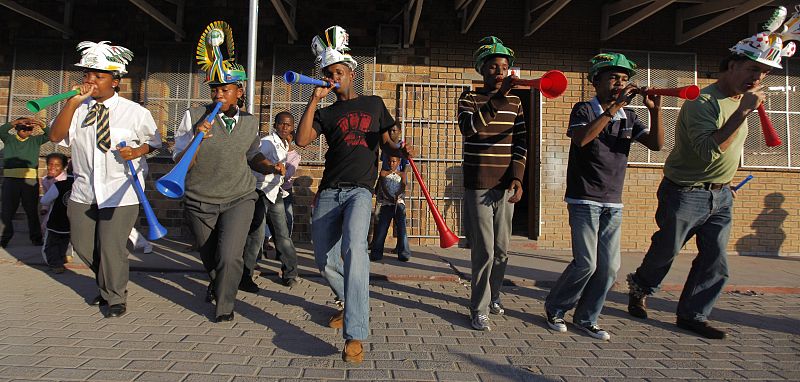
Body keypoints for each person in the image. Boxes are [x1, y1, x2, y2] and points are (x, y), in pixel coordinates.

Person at [626, 8, 796, 339]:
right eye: (751, 69)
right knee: (666, 250)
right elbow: (710, 148)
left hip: (720, 194)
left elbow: (734, 150)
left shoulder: (742, 100)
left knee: (716, 260)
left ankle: (693, 314)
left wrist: (727, 182)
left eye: (762, 73)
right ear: (731, 66)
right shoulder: (702, 102)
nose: (757, 79)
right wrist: (744, 111)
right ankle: (640, 286)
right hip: (684, 192)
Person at [296, 25, 411, 363]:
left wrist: (399, 143)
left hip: (360, 191)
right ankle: (348, 302)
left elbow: (391, 141)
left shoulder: (374, 104)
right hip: (330, 191)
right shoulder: (326, 112)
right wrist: (313, 100)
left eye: (339, 72)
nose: (335, 77)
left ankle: (355, 333)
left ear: (351, 73)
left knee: (354, 250)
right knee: (323, 258)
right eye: (329, 73)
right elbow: (302, 141)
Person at [543, 53, 663, 341]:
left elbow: (657, 145)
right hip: (584, 198)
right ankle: (556, 308)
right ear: (596, 80)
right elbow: (583, 139)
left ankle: (586, 318)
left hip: (613, 201)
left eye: (624, 79)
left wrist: (656, 111)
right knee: (586, 263)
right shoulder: (584, 109)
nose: (620, 83)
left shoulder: (630, 117)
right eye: (613, 77)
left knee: (609, 268)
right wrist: (614, 106)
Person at [175, 21, 279, 323]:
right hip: (199, 198)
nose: (219, 94)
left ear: (239, 91)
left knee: (230, 255)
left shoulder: (249, 122)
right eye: (215, 89)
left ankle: (224, 306)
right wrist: (197, 137)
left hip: (239, 196)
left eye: (225, 89)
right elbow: (181, 162)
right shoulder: (193, 117)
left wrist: (269, 167)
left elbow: (250, 154)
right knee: (209, 256)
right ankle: (217, 282)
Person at [49, 41, 162, 318]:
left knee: (112, 248)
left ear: (116, 82)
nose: (91, 81)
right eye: (88, 75)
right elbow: (55, 137)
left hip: (121, 191)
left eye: (99, 76)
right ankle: (107, 281)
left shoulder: (135, 112)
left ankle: (114, 296)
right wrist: (73, 103)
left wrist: (137, 151)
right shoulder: (76, 108)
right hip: (84, 191)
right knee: (83, 245)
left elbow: (156, 143)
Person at [457, 36, 527, 331]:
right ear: (482, 70)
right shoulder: (468, 98)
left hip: (505, 185)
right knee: (484, 249)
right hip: (478, 184)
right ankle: (479, 307)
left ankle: (495, 295)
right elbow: (470, 129)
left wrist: (518, 178)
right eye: (494, 66)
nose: (500, 71)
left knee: (501, 249)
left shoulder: (516, 102)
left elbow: (521, 142)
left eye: (504, 67)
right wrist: (498, 99)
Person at [242, 111, 299, 290]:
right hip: (260, 191)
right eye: (281, 123)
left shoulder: (284, 144)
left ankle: (290, 273)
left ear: (292, 128)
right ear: (275, 124)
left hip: (275, 193)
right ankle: (245, 276)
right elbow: (254, 162)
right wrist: (272, 168)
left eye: (288, 125)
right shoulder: (267, 142)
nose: (284, 127)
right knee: (256, 236)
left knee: (282, 236)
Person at [1, 117, 50, 247]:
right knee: (7, 211)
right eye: (22, 128)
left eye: (29, 129)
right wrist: (15, 122)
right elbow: (2, 131)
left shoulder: (35, 140)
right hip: (11, 180)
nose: (26, 131)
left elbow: (51, 135)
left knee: (31, 210)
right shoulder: (9, 139)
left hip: (29, 181)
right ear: (16, 129)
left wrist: (41, 123)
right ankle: (4, 238)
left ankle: (36, 238)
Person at [369, 154, 410, 262]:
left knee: (402, 229)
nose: (392, 164)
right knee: (382, 229)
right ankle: (376, 253)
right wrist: (389, 197)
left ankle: (404, 253)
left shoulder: (402, 174)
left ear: (398, 162)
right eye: (390, 162)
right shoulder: (383, 173)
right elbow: (383, 187)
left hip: (399, 205)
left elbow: (403, 186)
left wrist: (397, 195)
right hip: (386, 204)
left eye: (394, 162)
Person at [39, 169, 75, 274]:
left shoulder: (59, 185)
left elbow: (44, 200)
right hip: (71, 221)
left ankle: (55, 264)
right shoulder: (82, 186)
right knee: (65, 241)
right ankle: (64, 257)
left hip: (56, 220)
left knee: (51, 244)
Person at [40, 153, 69, 236]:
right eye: (50, 164)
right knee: (45, 226)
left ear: (63, 167)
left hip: (64, 208)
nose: (53, 167)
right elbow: (46, 196)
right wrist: (44, 207)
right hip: (53, 207)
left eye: (57, 165)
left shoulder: (66, 180)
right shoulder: (45, 180)